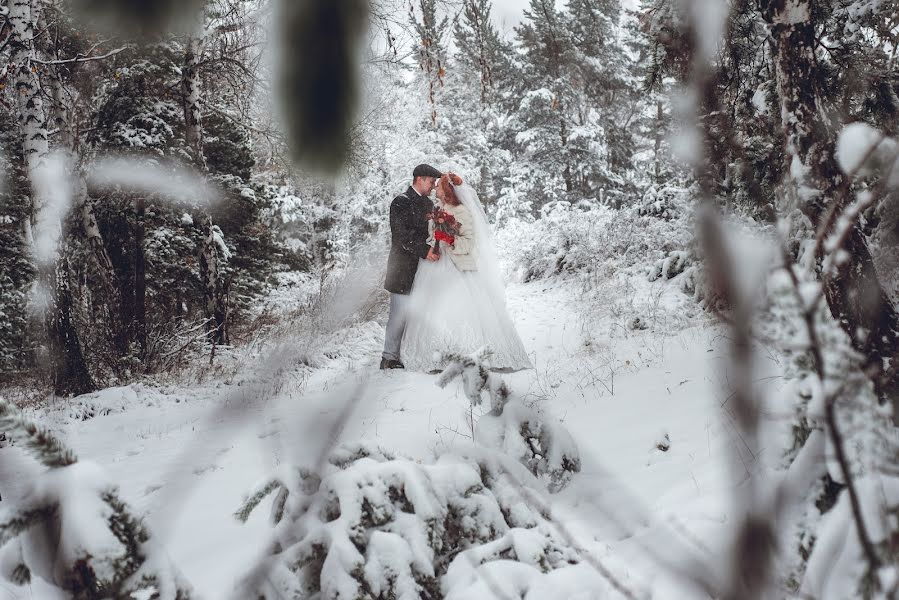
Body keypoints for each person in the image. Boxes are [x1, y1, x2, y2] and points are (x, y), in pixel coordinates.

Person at [401, 172, 531, 372]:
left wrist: (450, 239)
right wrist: (433, 242)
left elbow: (469, 243)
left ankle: (468, 354)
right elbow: (431, 235)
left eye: (439, 186)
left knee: (459, 307)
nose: (435, 188)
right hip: (436, 264)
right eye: (434, 185)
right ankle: (437, 355)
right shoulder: (438, 209)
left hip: (457, 266)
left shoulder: (462, 211)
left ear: (447, 190)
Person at [381, 163, 443, 369]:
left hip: (425, 269)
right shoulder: (401, 202)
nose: (434, 186)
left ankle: (408, 354)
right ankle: (388, 358)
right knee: (399, 314)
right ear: (420, 179)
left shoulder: (428, 205)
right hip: (402, 268)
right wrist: (425, 251)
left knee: (418, 315)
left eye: (435, 183)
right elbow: (402, 236)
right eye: (432, 182)